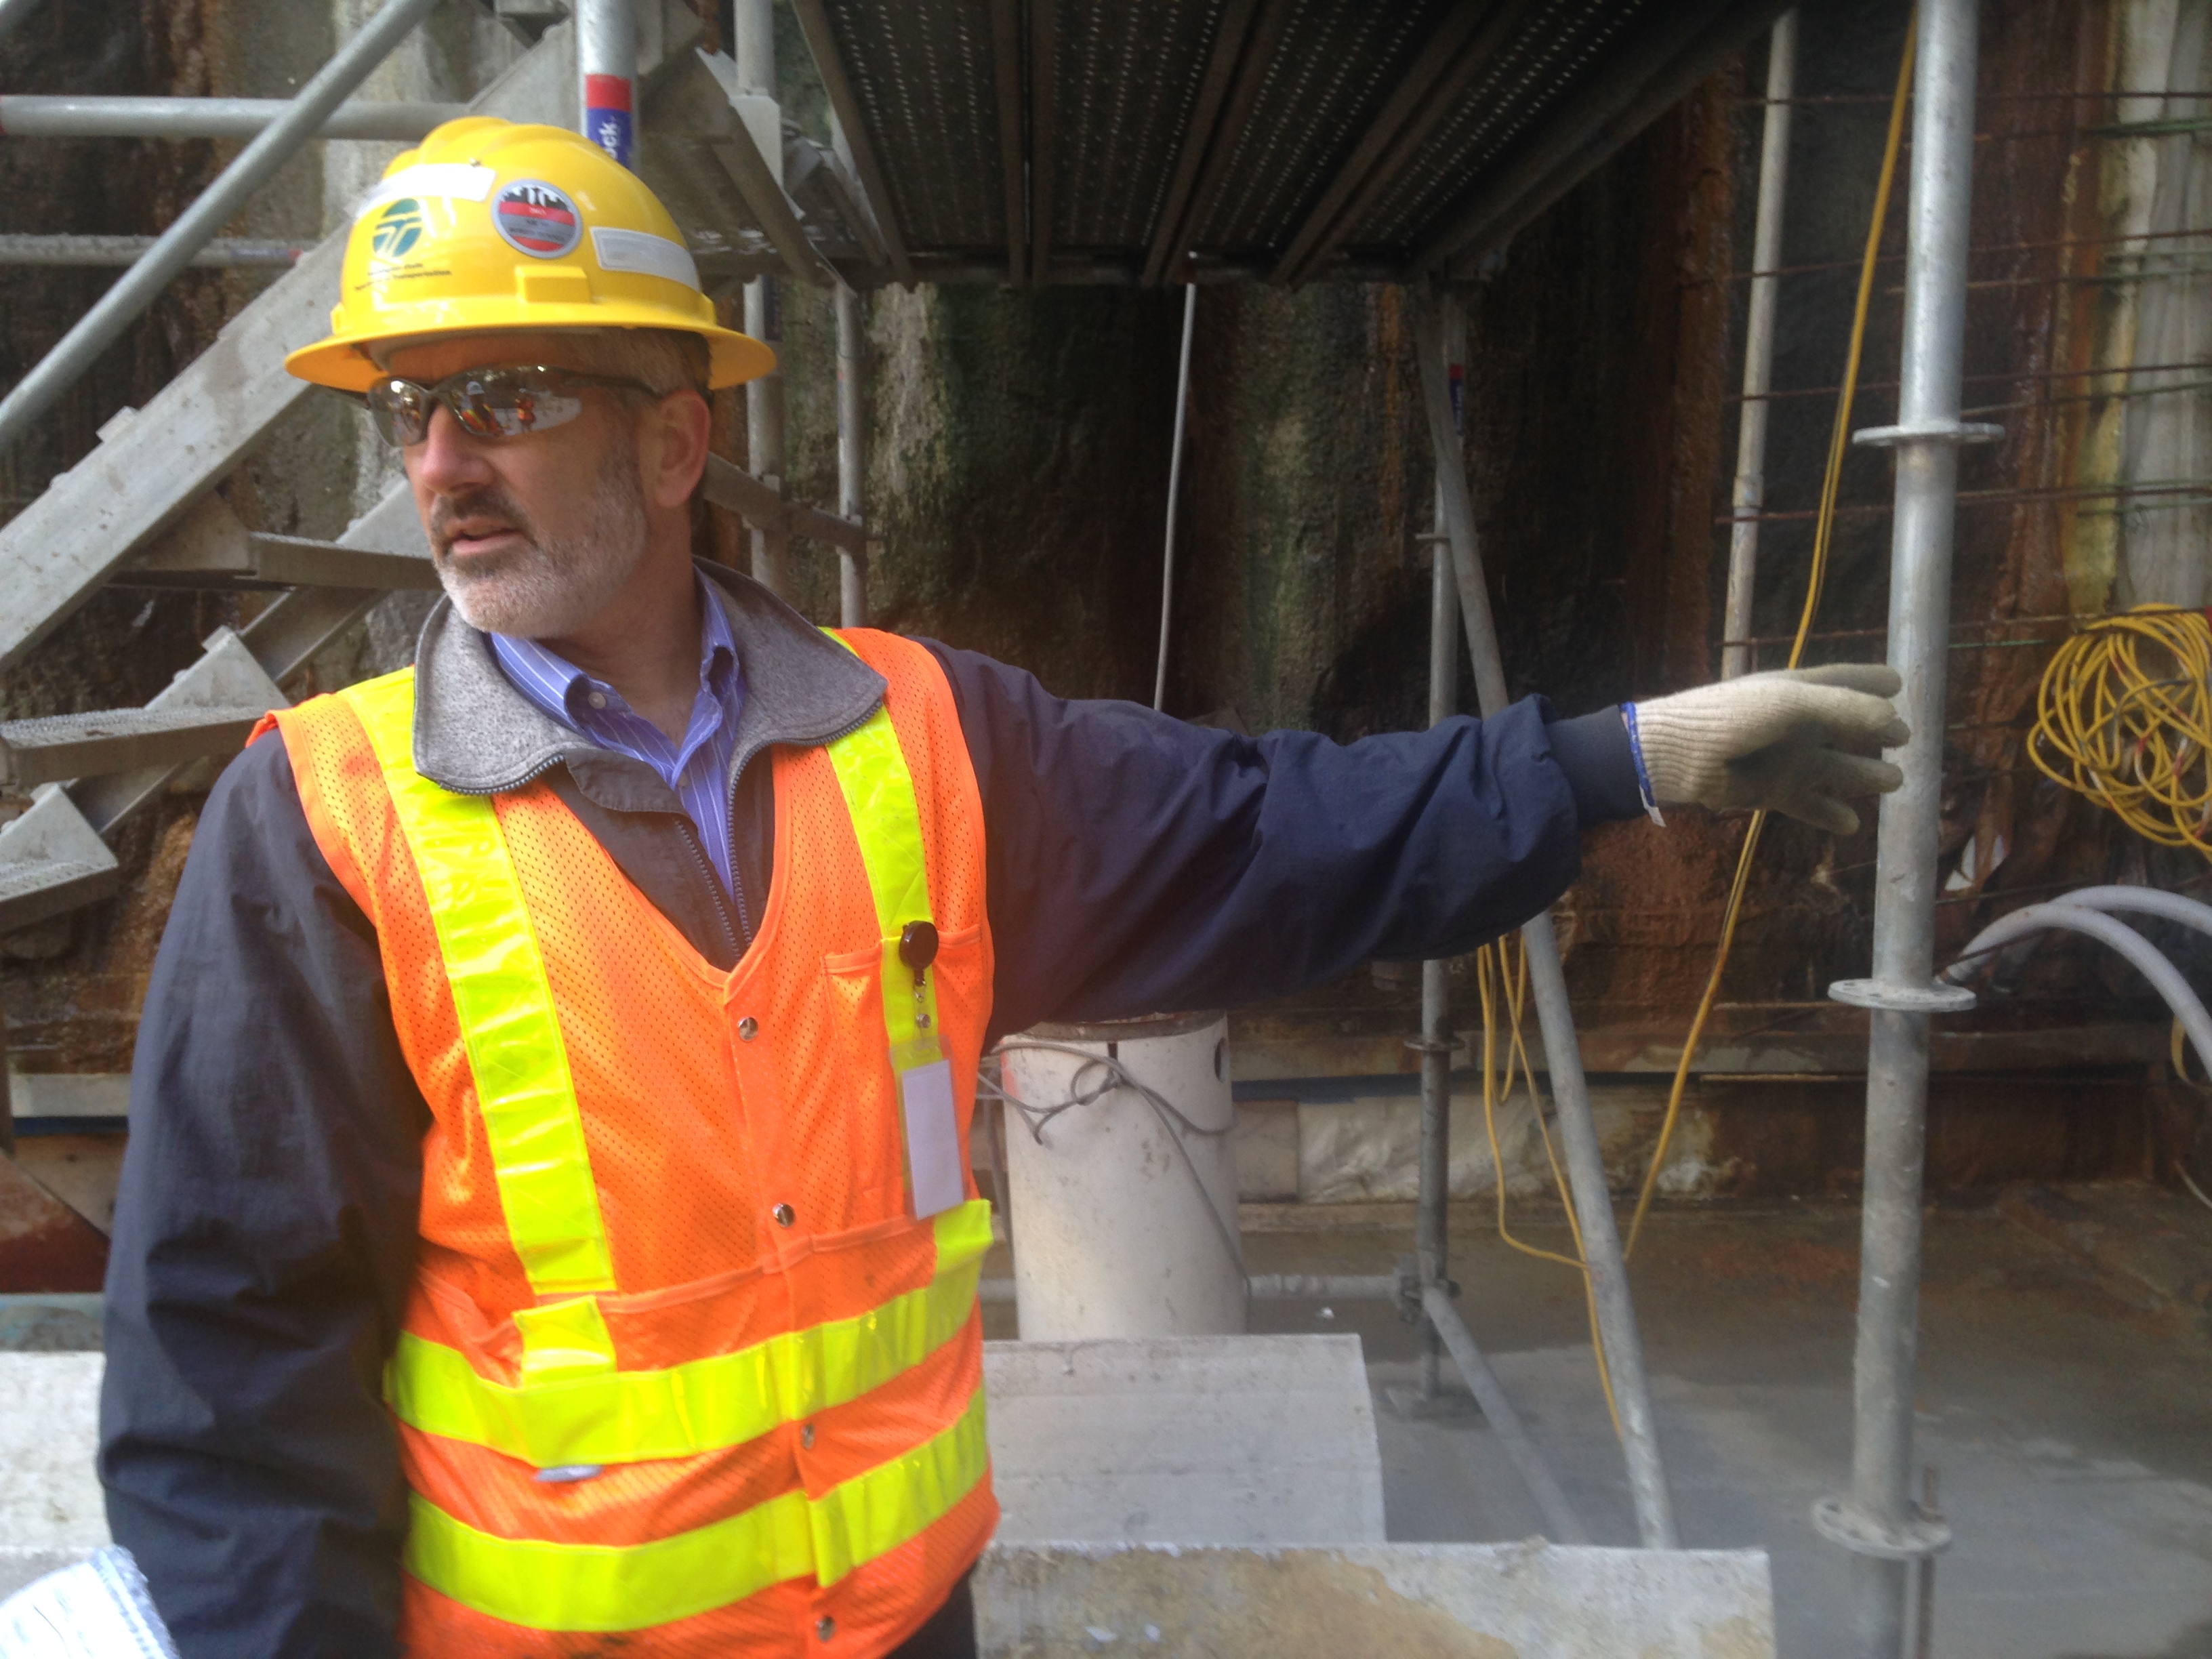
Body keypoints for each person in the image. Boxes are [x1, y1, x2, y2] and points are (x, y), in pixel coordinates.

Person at [97, 118, 1907, 1659]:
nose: (437, 464)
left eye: (505, 398)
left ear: (670, 443)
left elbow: (1277, 829)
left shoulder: (928, 744)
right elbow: (227, 1384)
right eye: (411, 407)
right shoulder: (325, 824)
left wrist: (1621, 761)